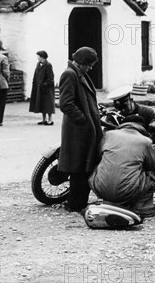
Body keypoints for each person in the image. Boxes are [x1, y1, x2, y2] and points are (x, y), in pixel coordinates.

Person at [58, 46, 102, 212]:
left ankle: (79, 203)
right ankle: (76, 205)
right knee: (78, 168)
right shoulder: (70, 74)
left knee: (84, 166)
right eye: (89, 64)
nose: (90, 68)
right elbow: (65, 103)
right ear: (82, 63)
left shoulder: (80, 74)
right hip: (78, 131)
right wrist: (83, 119)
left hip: (84, 130)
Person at [88, 117, 155, 218]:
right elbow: (152, 166)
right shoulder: (146, 141)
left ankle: (106, 201)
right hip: (127, 192)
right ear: (142, 128)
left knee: (99, 167)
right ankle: (140, 209)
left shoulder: (109, 134)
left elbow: (98, 156)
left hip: (100, 189)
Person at [29, 50, 55, 125]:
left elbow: (51, 77)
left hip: (46, 88)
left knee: (48, 104)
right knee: (42, 103)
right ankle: (44, 119)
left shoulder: (48, 65)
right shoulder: (38, 64)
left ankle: (50, 119)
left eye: (38, 56)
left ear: (42, 57)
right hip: (39, 87)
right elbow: (36, 74)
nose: (37, 57)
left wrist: (45, 84)